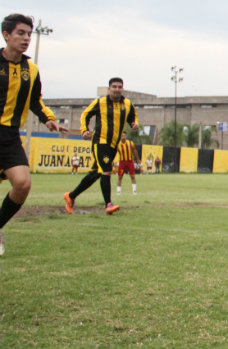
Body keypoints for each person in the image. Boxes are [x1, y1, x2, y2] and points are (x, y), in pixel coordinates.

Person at [0, 13, 68, 256]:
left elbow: (35, 101)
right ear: (6, 35)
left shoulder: (31, 69)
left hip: (8, 136)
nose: (27, 38)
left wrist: (49, 119)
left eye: (29, 34)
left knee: (22, 184)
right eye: (21, 33)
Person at [63, 77, 139, 216]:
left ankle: (71, 196)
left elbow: (132, 116)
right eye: (114, 87)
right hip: (100, 141)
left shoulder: (127, 104)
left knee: (96, 174)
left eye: (119, 87)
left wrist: (134, 124)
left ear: (123, 89)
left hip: (113, 145)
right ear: (109, 88)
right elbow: (85, 114)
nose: (117, 89)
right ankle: (108, 204)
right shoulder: (100, 102)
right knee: (106, 170)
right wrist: (84, 130)